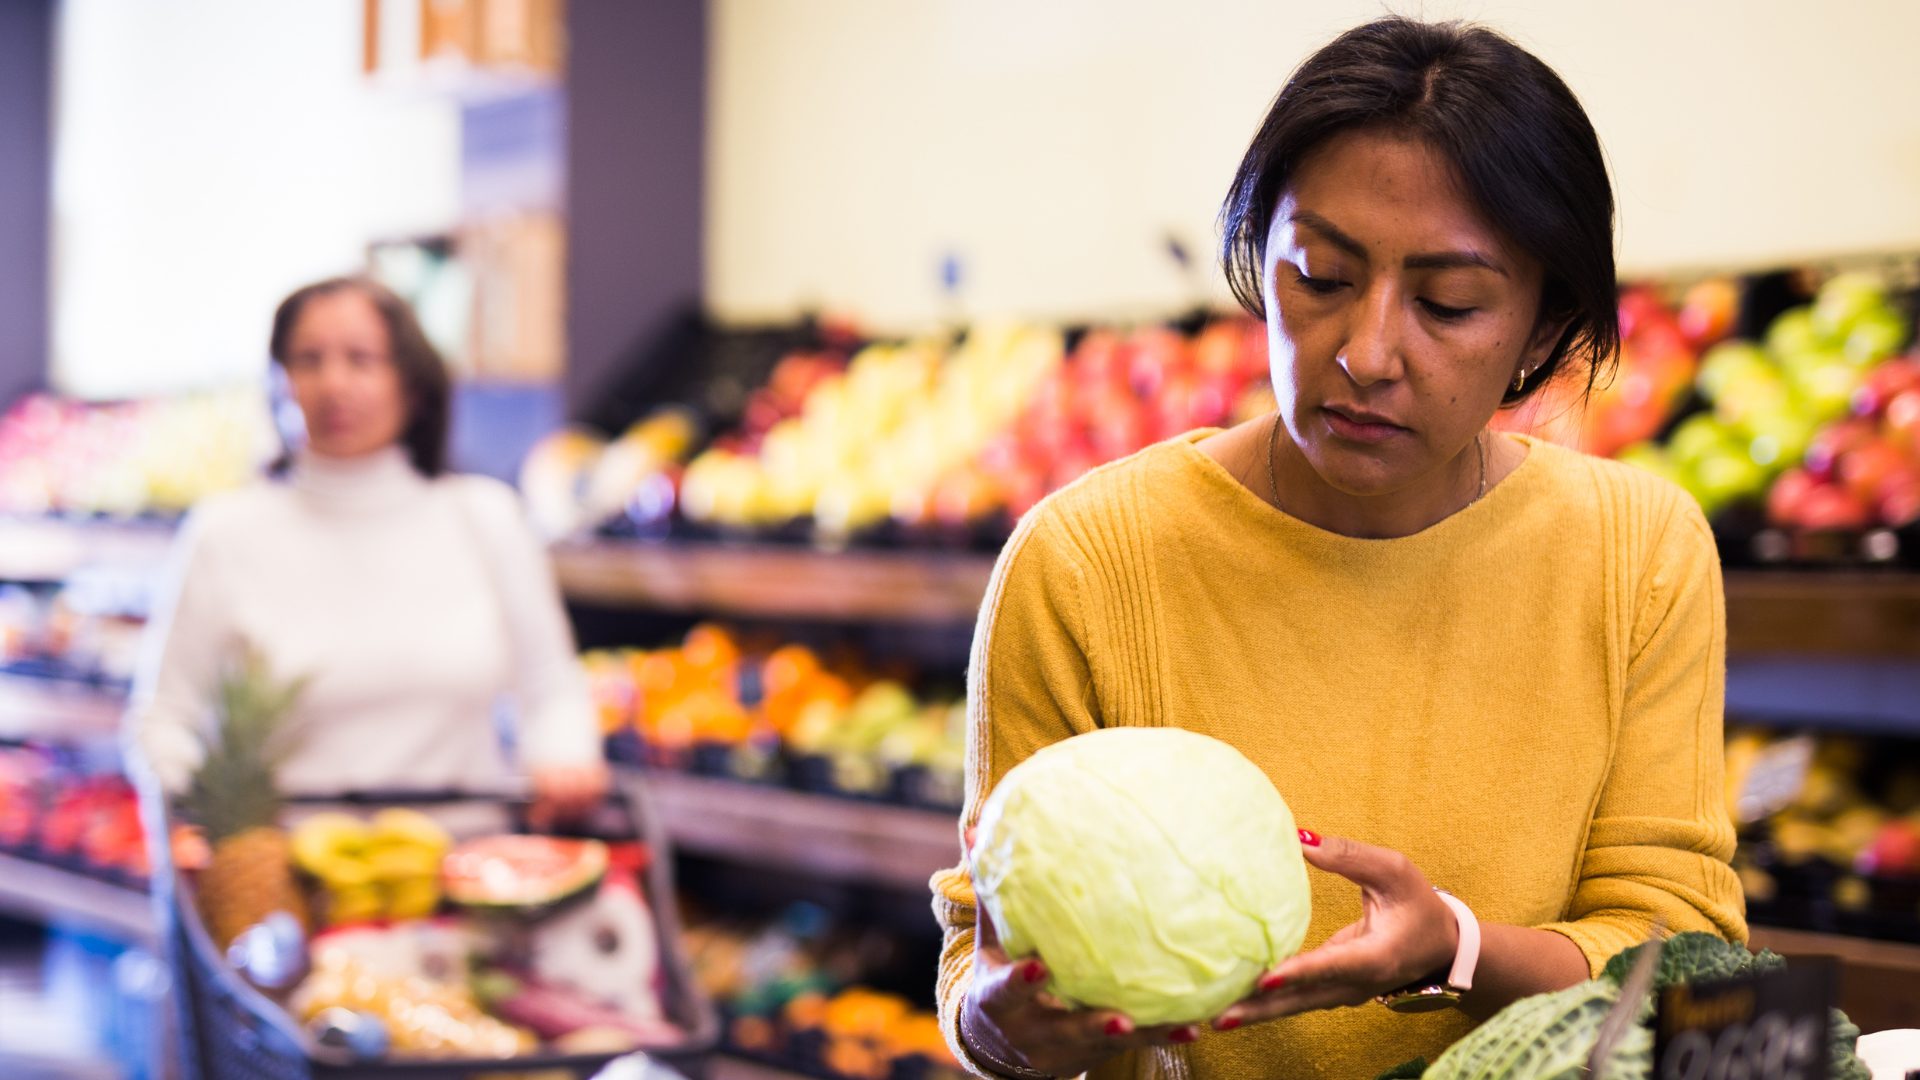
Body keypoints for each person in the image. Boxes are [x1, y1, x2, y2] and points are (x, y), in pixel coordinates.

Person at [933, 17, 1743, 1080]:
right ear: (1257, 263)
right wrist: (1005, 1023)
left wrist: (1456, 947)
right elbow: (977, 971)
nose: (1365, 354)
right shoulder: (1083, 561)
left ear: (1544, 330)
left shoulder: (1640, 551)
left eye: (1448, 304)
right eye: (1318, 277)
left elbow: (1681, 956)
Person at [126, 277, 607, 826]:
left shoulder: (485, 515)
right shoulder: (225, 532)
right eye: (308, 360)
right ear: (278, 383)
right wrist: (206, 827)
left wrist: (564, 755)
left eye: (362, 359)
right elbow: (163, 720)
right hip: (289, 877)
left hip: (467, 870)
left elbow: (551, 686)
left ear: (414, 383)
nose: (334, 384)